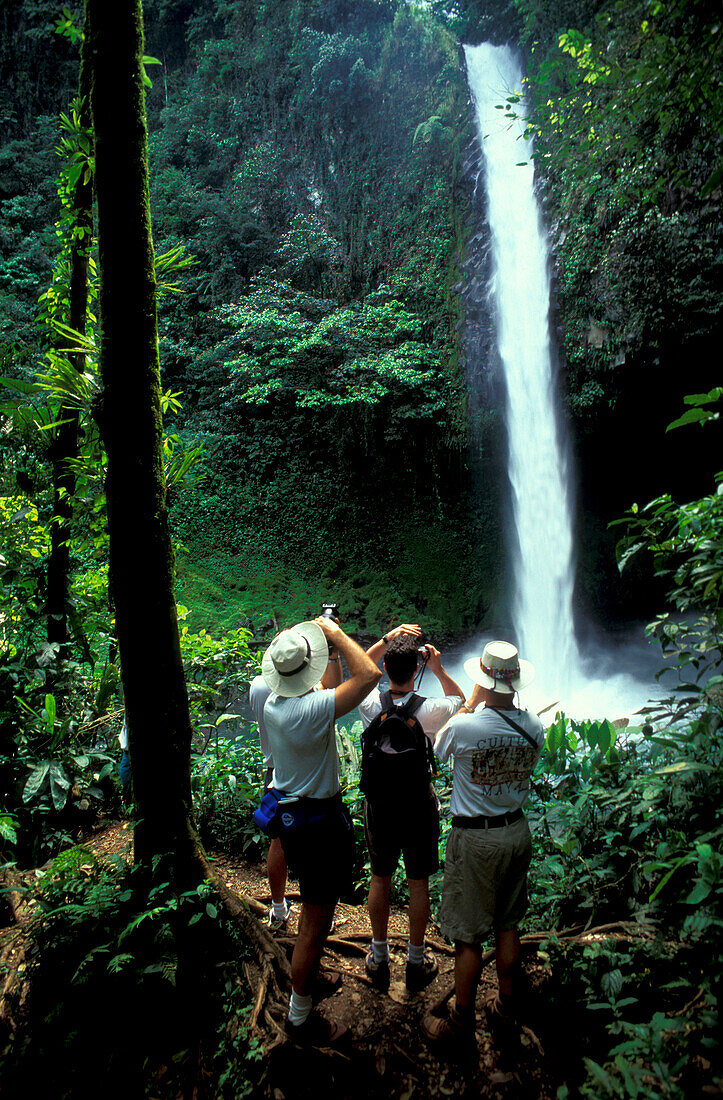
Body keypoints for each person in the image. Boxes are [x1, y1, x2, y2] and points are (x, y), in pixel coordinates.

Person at [262, 616, 381, 1044]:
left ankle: (308, 975)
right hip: (319, 824)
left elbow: (322, 684)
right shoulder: (314, 708)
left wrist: (315, 649)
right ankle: (300, 1017)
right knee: (315, 919)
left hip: (294, 821)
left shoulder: (273, 704)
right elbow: (369, 675)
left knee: (318, 911)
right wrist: (333, 634)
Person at [422, 639, 544, 1051]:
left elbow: (437, 751)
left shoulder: (466, 725)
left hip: (476, 839)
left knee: (469, 936)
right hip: (516, 832)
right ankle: (506, 1008)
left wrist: (469, 702)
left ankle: (460, 1024)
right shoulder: (534, 726)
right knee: (508, 923)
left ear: (484, 681)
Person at [359, 625, 465, 994]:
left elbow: (361, 668)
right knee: (419, 883)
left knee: (380, 878)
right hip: (419, 804)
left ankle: (379, 955)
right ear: (415, 667)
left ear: (386, 669)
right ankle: (417, 960)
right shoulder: (431, 711)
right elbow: (461, 699)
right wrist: (436, 668)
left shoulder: (371, 704)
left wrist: (387, 639)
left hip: (380, 805)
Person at [249, 641, 342, 933]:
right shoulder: (306, 698)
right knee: (312, 848)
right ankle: (314, 918)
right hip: (301, 773)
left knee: (278, 841)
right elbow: (332, 689)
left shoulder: (260, 689)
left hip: (275, 771)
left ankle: (278, 909)